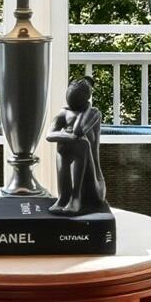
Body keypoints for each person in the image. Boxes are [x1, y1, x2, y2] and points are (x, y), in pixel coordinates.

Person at [45, 79, 110, 216]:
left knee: (81, 143)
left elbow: (79, 130)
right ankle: (63, 197)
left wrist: (86, 108)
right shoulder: (64, 113)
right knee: (64, 144)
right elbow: (49, 135)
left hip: (92, 181)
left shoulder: (93, 113)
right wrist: (68, 136)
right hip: (70, 153)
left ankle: (76, 197)